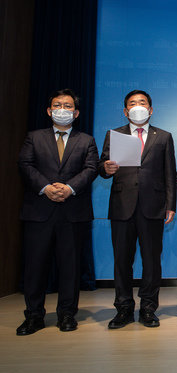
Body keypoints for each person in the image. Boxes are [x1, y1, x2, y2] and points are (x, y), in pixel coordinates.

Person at [17, 89, 99, 335]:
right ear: (49, 110)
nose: (62, 109)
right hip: (39, 210)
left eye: (67, 106)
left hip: (72, 212)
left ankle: (66, 314)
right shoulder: (34, 137)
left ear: (76, 113)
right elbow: (25, 164)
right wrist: (45, 187)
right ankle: (33, 316)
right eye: (57, 105)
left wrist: (70, 188)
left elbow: (91, 168)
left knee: (70, 267)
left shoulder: (86, 140)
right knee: (35, 266)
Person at [99, 90, 177, 329]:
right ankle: (123, 308)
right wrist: (107, 168)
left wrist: (170, 205)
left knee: (152, 261)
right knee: (122, 260)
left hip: (153, 207)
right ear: (125, 111)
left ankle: (148, 308)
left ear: (151, 109)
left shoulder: (163, 136)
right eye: (132, 104)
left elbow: (169, 173)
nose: (138, 106)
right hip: (122, 206)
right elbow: (102, 168)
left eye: (142, 103)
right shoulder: (114, 135)